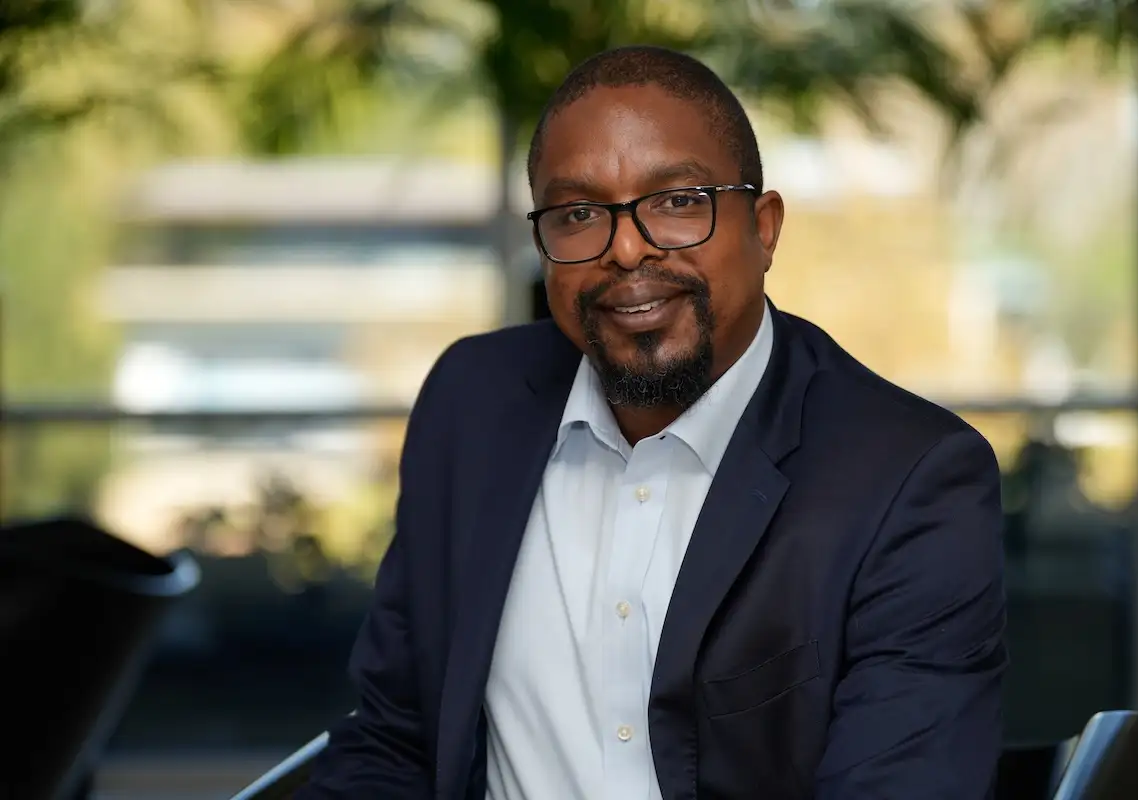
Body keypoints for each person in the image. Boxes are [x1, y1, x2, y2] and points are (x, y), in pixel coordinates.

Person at [298, 45, 1007, 800]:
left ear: (764, 228)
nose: (628, 248)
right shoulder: (472, 406)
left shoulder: (908, 479)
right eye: (578, 214)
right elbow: (397, 738)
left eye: (677, 202)